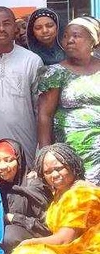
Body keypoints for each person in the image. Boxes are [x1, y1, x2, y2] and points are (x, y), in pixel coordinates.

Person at [8, 143, 100, 254]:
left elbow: (65, 238)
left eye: (59, 168)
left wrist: (30, 242)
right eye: (48, 172)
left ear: (72, 165)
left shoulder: (81, 193)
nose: (55, 175)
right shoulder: (62, 193)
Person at [0, 7, 43, 166]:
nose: (1, 29)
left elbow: (40, 110)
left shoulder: (32, 60)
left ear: (15, 27)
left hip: (25, 143)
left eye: (6, 24)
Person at [36, 17, 100, 184]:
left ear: (93, 40)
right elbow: (45, 116)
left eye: (76, 36)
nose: (69, 40)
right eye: (65, 36)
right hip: (70, 155)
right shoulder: (55, 73)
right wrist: (45, 155)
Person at [0, 139, 50, 254]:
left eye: (8, 160)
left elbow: (46, 226)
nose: (2, 167)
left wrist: (13, 218)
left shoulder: (33, 185)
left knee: (9, 234)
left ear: (19, 161)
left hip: (34, 239)